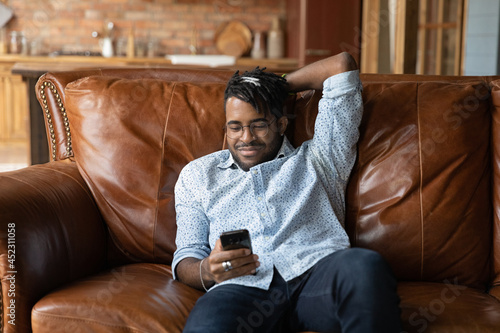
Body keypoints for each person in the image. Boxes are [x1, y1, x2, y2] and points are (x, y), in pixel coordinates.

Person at [172, 52, 402, 333]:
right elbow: (186, 255)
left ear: (281, 124)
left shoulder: (321, 158)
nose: (246, 138)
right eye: (235, 127)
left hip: (316, 277)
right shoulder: (197, 175)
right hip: (243, 289)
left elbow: (341, 66)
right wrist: (207, 270)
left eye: (259, 124)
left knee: (364, 267)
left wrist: (269, 87)